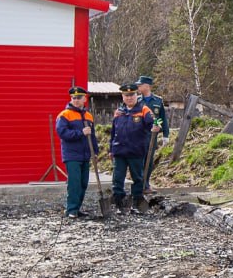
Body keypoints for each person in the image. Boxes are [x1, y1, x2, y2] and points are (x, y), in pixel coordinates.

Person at [109, 82, 160, 214]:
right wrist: (111, 149)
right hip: (119, 151)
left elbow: (155, 121)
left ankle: (136, 203)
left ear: (136, 95)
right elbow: (113, 132)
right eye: (126, 95)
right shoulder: (118, 112)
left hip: (136, 151)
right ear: (122, 97)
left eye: (131, 95)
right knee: (117, 179)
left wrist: (156, 126)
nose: (129, 98)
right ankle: (119, 204)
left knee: (137, 178)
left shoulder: (144, 110)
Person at [55, 85, 100, 218]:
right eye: (73, 98)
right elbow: (62, 133)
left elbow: (92, 136)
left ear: (84, 99)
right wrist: (80, 132)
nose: (76, 100)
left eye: (78, 98)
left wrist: (95, 152)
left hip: (85, 154)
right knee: (74, 183)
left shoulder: (88, 116)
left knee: (83, 182)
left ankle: (77, 208)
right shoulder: (64, 115)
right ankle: (71, 210)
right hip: (72, 154)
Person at [135, 75, 168, 193]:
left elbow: (161, 118)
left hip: (152, 135)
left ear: (147, 86)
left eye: (140, 85)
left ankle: (146, 184)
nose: (138, 86)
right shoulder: (137, 101)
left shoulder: (158, 101)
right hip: (138, 135)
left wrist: (165, 134)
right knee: (139, 160)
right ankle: (139, 183)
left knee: (149, 161)